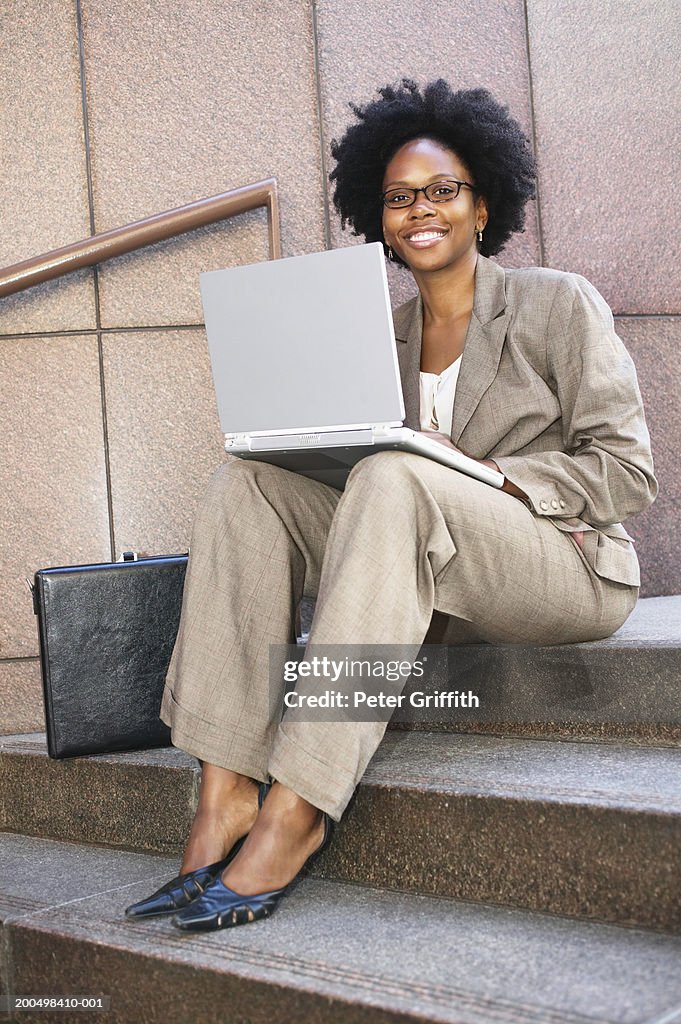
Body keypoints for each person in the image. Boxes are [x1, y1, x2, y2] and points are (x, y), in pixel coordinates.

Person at [124, 80, 657, 932]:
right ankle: (223, 789)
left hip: (564, 567)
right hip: (436, 580)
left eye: (441, 191)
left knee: (397, 475)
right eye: (399, 197)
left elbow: (626, 471)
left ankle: (295, 809)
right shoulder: (384, 338)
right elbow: (383, 498)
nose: (420, 210)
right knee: (248, 481)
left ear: (482, 204)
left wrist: (480, 471)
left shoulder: (557, 303)